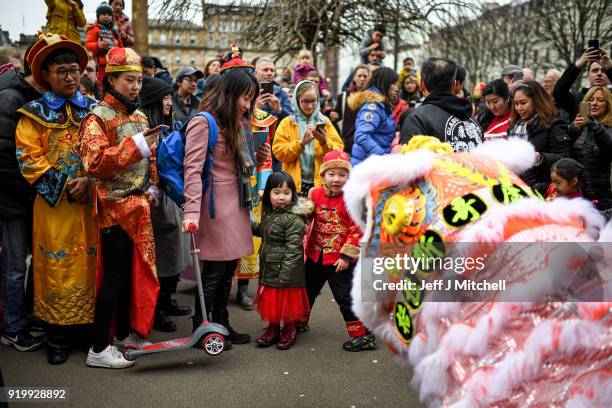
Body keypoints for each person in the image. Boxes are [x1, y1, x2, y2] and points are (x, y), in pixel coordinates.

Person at [15, 33, 98, 365]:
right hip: (55, 208)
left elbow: (107, 150)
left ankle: (88, 331)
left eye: (74, 70)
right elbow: (29, 159)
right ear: (46, 75)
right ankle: (57, 337)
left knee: (92, 264)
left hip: (91, 203)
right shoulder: (32, 114)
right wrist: (67, 185)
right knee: (56, 265)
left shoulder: (94, 109)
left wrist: (91, 181)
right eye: (61, 71)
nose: (69, 77)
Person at [80, 47, 160, 368]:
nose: (136, 87)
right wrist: (138, 146)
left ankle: (123, 335)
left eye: (139, 81)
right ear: (111, 80)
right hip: (114, 209)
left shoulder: (139, 115)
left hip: (139, 206)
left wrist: (152, 183)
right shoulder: (97, 117)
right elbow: (95, 162)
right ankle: (98, 348)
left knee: (131, 276)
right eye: (129, 80)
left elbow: (148, 157)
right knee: (113, 278)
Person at [181, 69, 265, 348]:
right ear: (230, 94)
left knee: (229, 267)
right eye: (245, 97)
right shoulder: (203, 122)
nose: (247, 104)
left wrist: (258, 153)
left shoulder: (237, 123)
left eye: (251, 99)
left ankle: (221, 322)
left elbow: (239, 162)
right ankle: (203, 327)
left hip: (236, 203)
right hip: (214, 206)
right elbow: (192, 170)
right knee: (213, 271)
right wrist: (191, 212)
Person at [303, 150, 376, 351]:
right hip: (315, 255)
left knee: (345, 297)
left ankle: (362, 336)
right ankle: (299, 322)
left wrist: (346, 256)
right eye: (331, 174)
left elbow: (356, 228)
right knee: (306, 290)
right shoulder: (314, 193)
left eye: (342, 175)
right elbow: (306, 216)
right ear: (323, 175)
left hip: (339, 260)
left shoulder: (352, 198)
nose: (336, 179)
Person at [139, 76, 192, 332]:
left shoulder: (170, 127)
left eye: (170, 97)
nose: (169, 102)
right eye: (164, 98)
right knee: (162, 256)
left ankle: (168, 298)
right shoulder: (145, 130)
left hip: (171, 196)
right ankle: (157, 308)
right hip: (154, 199)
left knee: (175, 252)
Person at [0, 43, 44, 353]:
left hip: (30, 197)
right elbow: (3, 159)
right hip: (12, 200)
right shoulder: (10, 98)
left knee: (36, 263)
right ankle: (13, 327)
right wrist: (31, 190)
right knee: (15, 266)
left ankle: (28, 320)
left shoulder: (36, 98)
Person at [252, 172, 311, 350]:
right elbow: (263, 230)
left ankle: (289, 330)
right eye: (277, 192)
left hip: (286, 273)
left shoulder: (293, 218)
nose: (281, 197)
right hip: (270, 267)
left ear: (293, 194)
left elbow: (294, 249)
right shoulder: (270, 214)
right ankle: (272, 329)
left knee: (287, 306)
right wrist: (247, 224)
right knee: (273, 304)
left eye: (286, 193)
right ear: (268, 194)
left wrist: (286, 273)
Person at [273, 80, 343, 196]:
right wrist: (300, 143)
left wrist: (324, 142)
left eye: (313, 101)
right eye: (305, 101)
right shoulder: (287, 123)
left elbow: (339, 152)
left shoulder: (325, 122)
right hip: (294, 186)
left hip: (321, 186)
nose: (310, 106)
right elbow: (279, 153)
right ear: (297, 101)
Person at [400, 57, 483, 152]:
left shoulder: (416, 120)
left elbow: (412, 163)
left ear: (422, 85)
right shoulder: (474, 122)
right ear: (454, 85)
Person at [508, 81, 571, 194]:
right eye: (516, 104)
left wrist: (540, 158)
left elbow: (565, 159)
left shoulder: (553, 125)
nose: (519, 108)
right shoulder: (513, 127)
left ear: (537, 101)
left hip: (541, 190)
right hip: (516, 189)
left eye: (523, 103)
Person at [567, 86, 612, 218]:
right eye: (590, 100)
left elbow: (608, 148)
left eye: (600, 100)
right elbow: (565, 152)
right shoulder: (579, 126)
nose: (594, 103)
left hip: (602, 198)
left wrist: (595, 126)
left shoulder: (608, 128)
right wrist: (573, 129)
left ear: (608, 105)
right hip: (577, 196)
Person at [349, 67, 398, 166]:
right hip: (367, 166)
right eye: (394, 84)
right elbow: (362, 136)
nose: (397, 88)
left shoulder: (382, 106)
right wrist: (382, 156)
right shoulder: (373, 107)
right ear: (384, 84)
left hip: (373, 165)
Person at [553, 46, 612, 120]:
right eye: (595, 70)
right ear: (588, 76)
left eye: (603, 71)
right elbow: (558, 92)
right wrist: (578, 65)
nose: (599, 74)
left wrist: (610, 69)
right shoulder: (577, 99)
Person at [330, 64, 370, 154]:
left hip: (367, 146)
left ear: (369, 78)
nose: (362, 78)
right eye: (359, 76)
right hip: (348, 146)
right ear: (354, 77)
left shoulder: (373, 98)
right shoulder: (343, 96)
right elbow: (336, 118)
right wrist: (332, 115)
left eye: (365, 76)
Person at [86, 2, 123, 86]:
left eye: (109, 14)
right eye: (103, 14)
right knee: (101, 82)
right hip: (100, 63)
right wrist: (98, 45)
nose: (106, 16)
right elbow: (88, 45)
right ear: (98, 16)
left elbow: (121, 46)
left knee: (114, 82)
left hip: (115, 62)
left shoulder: (115, 30)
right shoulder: (94, 29)